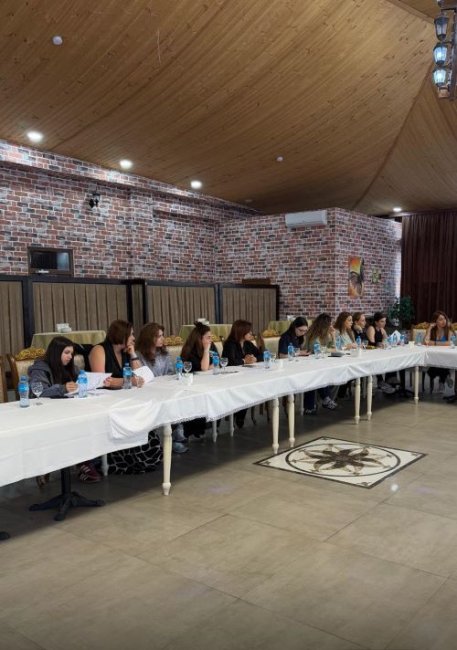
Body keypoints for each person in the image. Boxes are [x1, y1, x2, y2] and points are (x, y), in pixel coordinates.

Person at [89, 320, 161, 474]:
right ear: (121, 335)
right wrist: (128, 381)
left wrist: (133, 353)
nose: (134, 338)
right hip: (105, 401)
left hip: (123, 397)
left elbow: (142, 375)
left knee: (143, 412)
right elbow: (101, 381)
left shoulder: (125, 352)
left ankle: (142, 451)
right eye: (131, 334)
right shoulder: (99, 350)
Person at [28, 336, 100, 483]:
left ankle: (86, 460)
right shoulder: (40, 368)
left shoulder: (70, 367)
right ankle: (83, 463)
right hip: (46, 414)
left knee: (90, 418)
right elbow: (38, 392)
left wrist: (93, 382)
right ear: (56, 353)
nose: (70, 357)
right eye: (66, 353)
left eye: (71, 353)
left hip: (68, 409)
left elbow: (82, 381)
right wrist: (62, 388)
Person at [136, 322, 188, 453]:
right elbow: (142, 376)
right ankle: (166, 439)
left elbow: (170, 372)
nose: (162, 338)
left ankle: (176, 436)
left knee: (177, 397)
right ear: (149, 338)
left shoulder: (164, 353)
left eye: (162, 335)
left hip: (164, 389)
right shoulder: (139, 355)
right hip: (147, 392)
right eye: (159, 336)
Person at [222, 320, 263, 428]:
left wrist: (255, 359)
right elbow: (230, 362)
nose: (251, 333)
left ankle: (240, 415)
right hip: (231, 378)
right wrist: (245, 361)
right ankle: (238, 415)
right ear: (241, 332)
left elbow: (262, 355)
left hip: (246, 376)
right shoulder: (230, 344)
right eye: (248, 332)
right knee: (245, 390)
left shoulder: (248, 343)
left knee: (251, 388)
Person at [181, 322, 218, 439]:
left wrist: (210, 364)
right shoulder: (189, 351)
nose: (211, 340)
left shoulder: (211, 346)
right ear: (199, 338)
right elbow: (204, 368)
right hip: (192, 388)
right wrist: (206, 351)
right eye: (208, 337)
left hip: (207, 384)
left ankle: (210, 424)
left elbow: (217, 362)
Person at [303, 313, 337, 413]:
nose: (331, 326)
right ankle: (322, 400)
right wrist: (329, 349)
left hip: (319, 362)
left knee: (330, 374)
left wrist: (333, 336)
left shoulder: (326, 335)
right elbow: (317, 350)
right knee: (319, 376)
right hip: (308, 363)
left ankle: (326, 399)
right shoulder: (314, 336)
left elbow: (334, 348)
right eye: (330, 324)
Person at [366, 312, 396, 394]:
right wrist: (379, 344)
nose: (384, 323)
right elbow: (371, 343)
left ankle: (390, 380)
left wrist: (384, 342)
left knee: (391, 358)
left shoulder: (382, 329)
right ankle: (381, 381)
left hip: (378, 352)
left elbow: (387, 340)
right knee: (379, 361)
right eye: (382, 321)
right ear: (376, 322)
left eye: (385, 321)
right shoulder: (371, 328)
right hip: (370, 353)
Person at [424, 310, 454, 392]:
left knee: (435, 368)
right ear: (435, 321)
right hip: (434, 356)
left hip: (446, 357)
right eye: (440, 319)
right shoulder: (432, 330)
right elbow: (426, 342)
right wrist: (429, 328)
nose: (444, 321)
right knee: (436, 366)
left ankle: (442, 381)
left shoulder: (448, 330)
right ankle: (445, 377)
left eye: (444, 319)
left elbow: (449, 343)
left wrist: (434, 343)